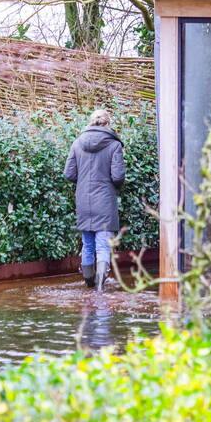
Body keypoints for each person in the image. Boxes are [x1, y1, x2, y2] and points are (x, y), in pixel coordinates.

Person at [64, 109, 125, 291]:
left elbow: (69, 173)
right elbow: (118, 176)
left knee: (88, 244)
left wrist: (84, 182)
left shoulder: (77, 143)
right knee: (103, 244)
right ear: (107, 124)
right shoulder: (114, 146)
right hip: (105, 200)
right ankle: (100, 286)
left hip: (83, 200)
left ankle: (89, 283)